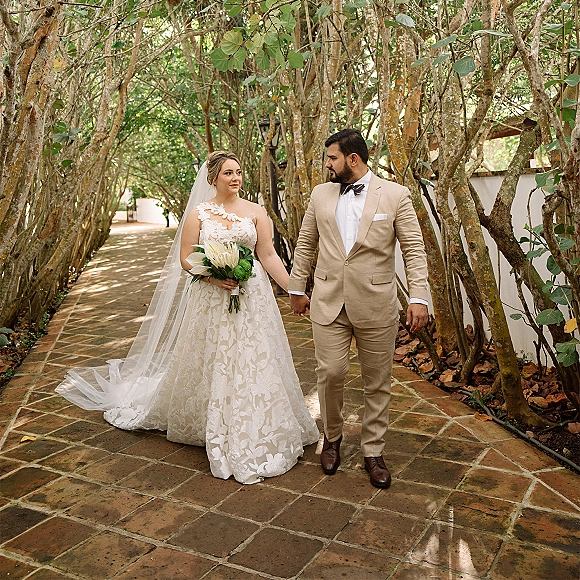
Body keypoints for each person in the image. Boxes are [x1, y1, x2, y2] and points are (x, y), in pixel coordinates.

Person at [56, 151, 319, 484]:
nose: (236, 178)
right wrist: (213, 276)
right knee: (213, 357)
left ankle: (255, 424)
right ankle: (209, 419)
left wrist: (294, 290)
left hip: (253, 298)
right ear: (213, 178)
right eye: (228, 173)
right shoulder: (199, 214)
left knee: (255, 358)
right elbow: (186, 258)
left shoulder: (256, 212)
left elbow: (267, 254)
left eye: (238, 172)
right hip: (211, 299)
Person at [287, 129, 429, 488]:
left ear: (353, 159)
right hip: (328, 300)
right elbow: (306, 243)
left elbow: (413, 248)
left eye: (331, 158)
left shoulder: (396, 195)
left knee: (377, 381)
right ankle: (331, 437)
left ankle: (373, 451)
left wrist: (418, 296)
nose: (327, 165)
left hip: (376, 303)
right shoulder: (320, 194)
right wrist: (295, 286)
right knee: (331, 372)